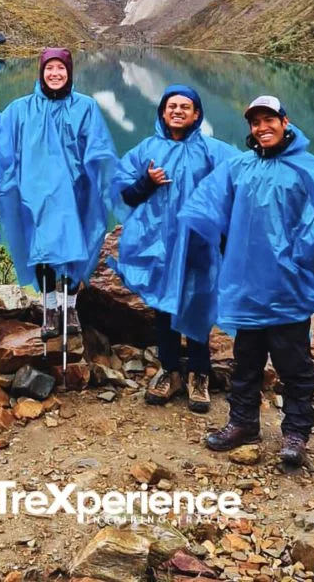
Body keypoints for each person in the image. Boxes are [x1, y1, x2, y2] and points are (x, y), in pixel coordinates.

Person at [176, 95, 314, 465]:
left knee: (293, 364)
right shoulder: (240, 167)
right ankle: (243, 422)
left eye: (268, 120)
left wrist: (302, 254)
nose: (262, 128)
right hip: (248, 286)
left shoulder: (305, 168)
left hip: (287, 287)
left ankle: (295, 433)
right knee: (245, 360)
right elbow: (209, 204)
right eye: (255, 123)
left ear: (285, 121)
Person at [110, 85, 237, 414]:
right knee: (164, 307)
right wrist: (146, 182)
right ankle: (169, 369)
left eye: (185, 106)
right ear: (162, 113)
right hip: (160, 247)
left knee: (198, 304)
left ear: (197, 114)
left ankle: (199, 374)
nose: (177, 111)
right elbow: (124, 193)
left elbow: (238, 186)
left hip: (199, 244)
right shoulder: (146, 151)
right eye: (171, 106)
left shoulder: (213, 152)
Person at [0, 48, 117, 342]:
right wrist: (5, 189)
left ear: (69, 72)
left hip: (77, 192)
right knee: (43, 250)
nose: (55, 74)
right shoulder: (19, 110)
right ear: (41, 72)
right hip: (36, 195)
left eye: (60, 68)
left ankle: (70, 307)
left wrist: (100, 177)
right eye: (49, 68)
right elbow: (3, 152)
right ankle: (49, 309)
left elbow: (99, 146)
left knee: (78, 245)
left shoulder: (85, 107)